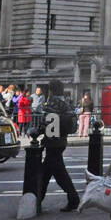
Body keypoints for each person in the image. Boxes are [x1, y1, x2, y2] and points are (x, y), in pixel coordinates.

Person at [29, 79, 80, 212]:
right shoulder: (65, 102)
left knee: (58, 173)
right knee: (47, 172)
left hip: (53, 142)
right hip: (61, 140)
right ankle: (39, 200)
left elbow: (49, 124)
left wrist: (36, 131)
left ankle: (73, 198)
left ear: (51, 90)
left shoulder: (53, 103)